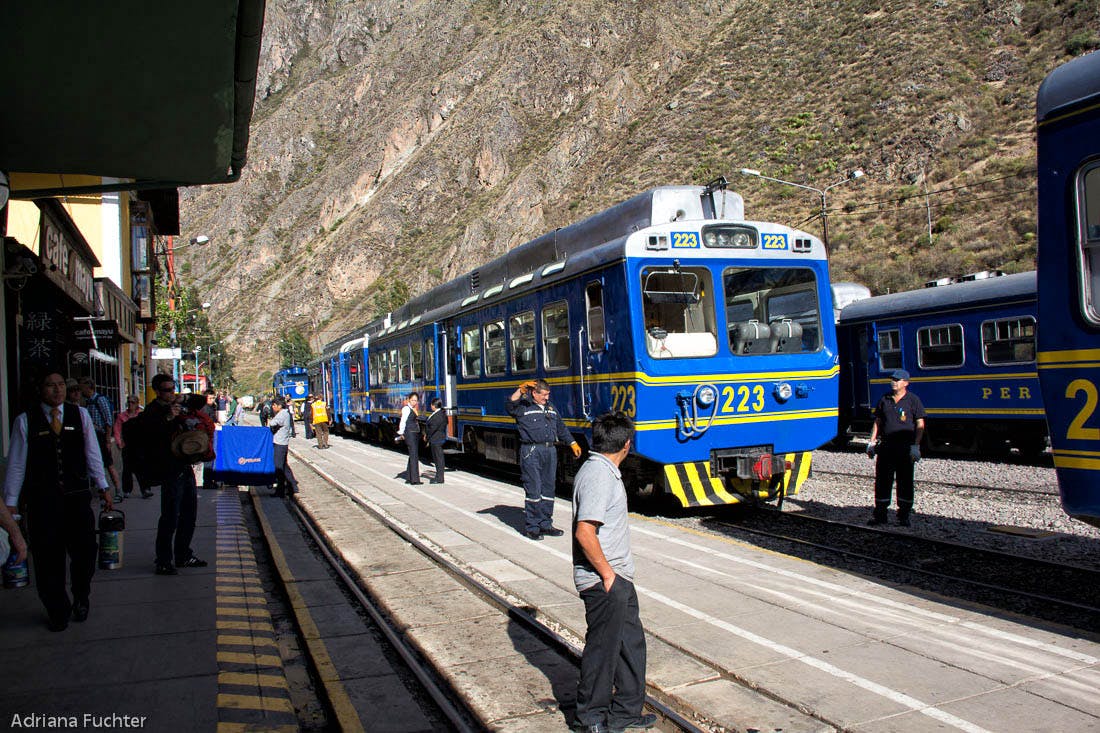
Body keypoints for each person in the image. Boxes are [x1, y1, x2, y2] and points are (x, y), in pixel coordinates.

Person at [4, 372, 114, 631]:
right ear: (41, 390)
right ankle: (57, 608)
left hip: (77, 499)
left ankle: (81, 596)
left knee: (85, 552)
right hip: (43, 502)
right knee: (47, 558)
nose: (57, 390)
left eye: (61, 385)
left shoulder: (80, 415)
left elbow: (92, 453)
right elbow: (17, 464)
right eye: (51, 385)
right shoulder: (25, 421)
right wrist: (11, 501)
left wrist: (103, 485)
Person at [571, 412, 655, 733]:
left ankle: (627, 712)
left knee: (630, 646)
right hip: (603, 580)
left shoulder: (605, 471)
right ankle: (590, 718)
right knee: (603, 651)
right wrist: (607, 575)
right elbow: (585, 532)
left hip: (618, 576)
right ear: (626, 444)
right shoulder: (598, 476)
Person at [145, 374, 207, 575]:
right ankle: (163, 559)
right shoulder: (153, 410)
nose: (171, 393)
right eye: (166, 390)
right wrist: (168, 417)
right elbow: (151, 435)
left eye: (173, 389)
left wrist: (183, 398)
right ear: (157, 391)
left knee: (189, 514)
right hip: (169, 469)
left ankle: (183, 554)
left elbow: (201, 401)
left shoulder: (179, 402)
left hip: (184, 466)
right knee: (170, 516)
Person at [506, 379, 581, 540]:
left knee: (548, 489)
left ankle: (546, 524)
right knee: (534, 489)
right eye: (544, 395)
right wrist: (520, 390)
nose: (547, 398)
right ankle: (532, 527)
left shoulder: (551, 408)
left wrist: (572, 442)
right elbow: (510, 406)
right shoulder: (523, 407)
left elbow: (561, 428)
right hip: (531, 451)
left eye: (548, 394)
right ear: (534, 393)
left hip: (550, 450)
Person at [866, 368, 926, 527]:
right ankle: (880, 514)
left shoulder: (913, 401)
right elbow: (878, 422)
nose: (894, 382)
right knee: (882, 481)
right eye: (893, 379)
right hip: (886, 448)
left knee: (905, 481)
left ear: (906, 383)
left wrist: (916, 446)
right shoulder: (884, 400)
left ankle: (904, 515)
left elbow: (920, 424)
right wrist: (872, 442)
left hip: (905, 448)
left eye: (897, 380)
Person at [79, 376, 122, 501]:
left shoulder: (100, 399)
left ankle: (118, 490)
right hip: (91, 435)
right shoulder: (86, 402)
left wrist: (108, 439)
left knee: (108, 464)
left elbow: (109, 420)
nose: (81, 391)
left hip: (101, 435)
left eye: (82, 387)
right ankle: (100, 491)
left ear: (89, 387)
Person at [113, 395, 153, 499]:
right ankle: (127, 490)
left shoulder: (141, 415)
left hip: (140, 445)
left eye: (133, 402)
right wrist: (119, 442)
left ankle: (145, 489)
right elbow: (117, 430)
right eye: (129, 402)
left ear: (137, 404)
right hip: (127, 445)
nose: (130, 404)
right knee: (127, 468)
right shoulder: (122, 416)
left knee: (142, 467)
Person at [269, 396, 299, 497]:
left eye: (274, 405)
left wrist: (273, 419)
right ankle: (293, 486)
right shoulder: (285, 413)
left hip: (280, 443)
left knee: (279, 467)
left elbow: (273, 423)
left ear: (279, 406)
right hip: (283, 443)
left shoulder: (282, 414)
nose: (273, 407)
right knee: (284, 466)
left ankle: (280, 490)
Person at [396, 392, 422, 484]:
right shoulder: (406, 409)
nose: (414, 402)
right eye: (412, 400)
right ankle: (415, 480)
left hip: (414, 433)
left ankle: (409, 478)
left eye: (415, 400)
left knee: (412, 455)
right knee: (414, 455)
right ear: (409, 400)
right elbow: (403, 421)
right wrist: (401, 432)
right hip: (410, 434)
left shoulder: (412, 408)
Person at [424, 398, 447, 484]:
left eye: (431, 404)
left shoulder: (438, 415)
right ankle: (438, 477)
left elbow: (433, 428)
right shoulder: (440, 414)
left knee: (438, 459)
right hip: (437, 438)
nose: (430, 406)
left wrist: (427, 436)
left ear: (434, 406)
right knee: (437, 458)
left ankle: (439, 478)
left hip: (436, 439)